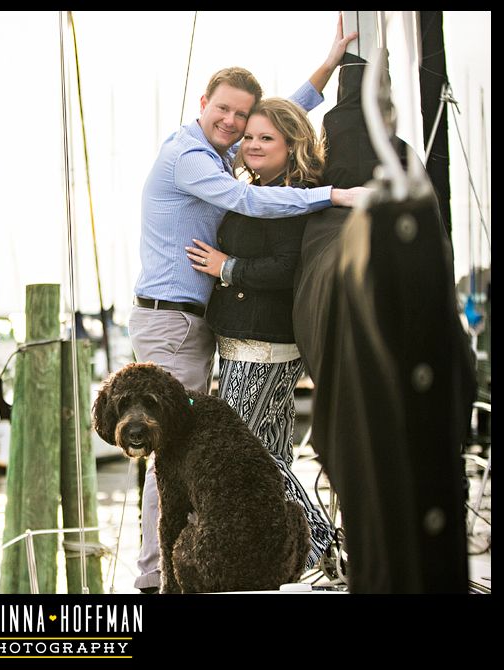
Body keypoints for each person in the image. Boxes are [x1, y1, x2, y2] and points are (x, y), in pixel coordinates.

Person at [129, 17, 363, 592]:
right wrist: (333, 194)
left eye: (243, 119)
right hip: (170, 321)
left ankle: (290, 553)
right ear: (203, 102)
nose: (235, 126)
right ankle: (157, 574)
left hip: (197, 324)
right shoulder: (192, 160)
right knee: (175, 454)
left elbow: (277, 123)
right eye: (226, 112)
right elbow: (247, 197)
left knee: (228, 453)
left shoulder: (226, 149)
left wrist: (328, 66)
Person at [185, 97, 335, 570]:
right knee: (271, 455)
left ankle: (325, 546)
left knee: (247, 455)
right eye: (248, 136)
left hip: (262, 347)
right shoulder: (260, 188)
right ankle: (309, 556)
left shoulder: (289, 196)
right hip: (248, 343)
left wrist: (225, 267)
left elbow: (289, 268)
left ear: (291, 146)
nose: (250, 144)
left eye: (265, 138)